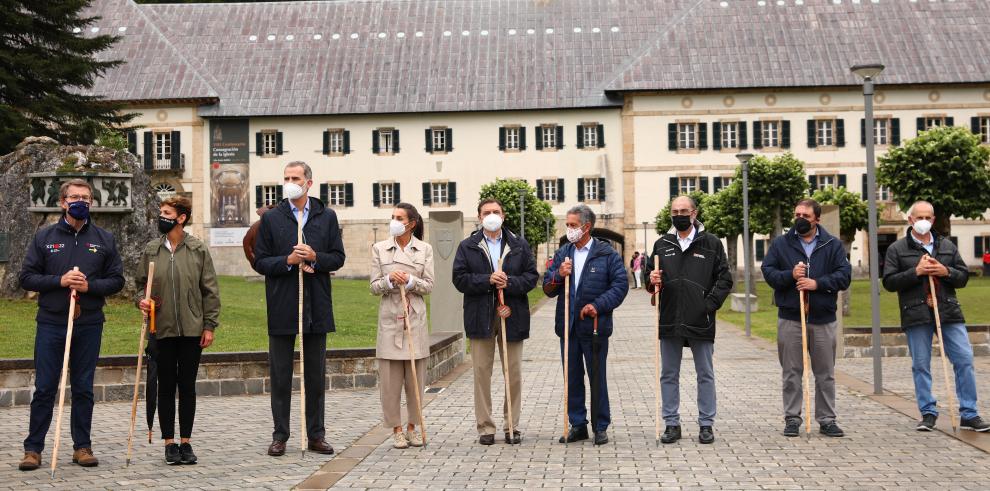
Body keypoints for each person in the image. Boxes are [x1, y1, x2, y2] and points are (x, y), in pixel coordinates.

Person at [18, 179, 125, 471]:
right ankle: (33, 449)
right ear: (63, 202)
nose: (82, 201)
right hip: (52, 322)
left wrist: (89, 286)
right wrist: (59, 281)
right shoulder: (45, 237)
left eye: (86, 197)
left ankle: (82, 447)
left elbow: (117, 280)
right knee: (45, 387)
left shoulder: (104, 239)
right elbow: (26, 277)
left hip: (89, 323)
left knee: (83, 387)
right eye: (75, 197)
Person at [253, 161, 346, 456]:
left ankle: (316, 435)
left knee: (315, 375)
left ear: (309, 182)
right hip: (282, 304)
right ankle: (280, 434)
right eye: (286, 178)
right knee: (280, 375)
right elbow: (260, 261)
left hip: (316, 305)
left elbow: (338, 257)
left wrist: (316, 256)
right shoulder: (272, 219)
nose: (290, 182)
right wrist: (288, 261)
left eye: (295, 178)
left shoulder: (326, 216)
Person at [882, 200, 989, 432]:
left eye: (928, 217)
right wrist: (916, 272)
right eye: (919, 217)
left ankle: (969, 413)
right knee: (921, 364)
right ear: (910, 219)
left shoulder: (947, 246)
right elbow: (889, 282)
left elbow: (962, 277)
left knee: (964, 359)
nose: (924, 221)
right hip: (916, 312)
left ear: (933, 219)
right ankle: (928, 412)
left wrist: (945, 271)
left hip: (948, 310)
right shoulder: (897, 249)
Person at [137, 196, 221, 464]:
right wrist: (141, 300)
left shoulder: (198, 249)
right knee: (165, 386)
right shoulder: (152, 249)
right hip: (160, 328)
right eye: (161, 211)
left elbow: (210, 290)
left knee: (187, 386)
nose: (161, 216)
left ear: (181, 217)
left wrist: (209, 325)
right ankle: (169, 443)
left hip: (192, 329)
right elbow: (141, 285)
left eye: (166, 212)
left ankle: (186, 442)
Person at [645, 196, 732, 444]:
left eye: (684, 211)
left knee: (705, 373)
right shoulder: (662, 243)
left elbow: (724, 279)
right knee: (668, 373)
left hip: (700, 318)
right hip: (670, 317)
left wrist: (708, 305)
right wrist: (652, 279)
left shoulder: (711, 243)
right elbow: (650, 277)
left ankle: (706, 424)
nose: (679, 215)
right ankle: (671, 423)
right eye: (675, 211)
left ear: (694, 213)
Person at [761, 198, 850, 438]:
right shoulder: (781, 244)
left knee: (825, 373)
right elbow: (768, 273)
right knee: (791, 371)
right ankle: (792, 418)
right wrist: (790, 275)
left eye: (806, 216)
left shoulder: (832, 245)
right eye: (797, 214)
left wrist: (817, 284)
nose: (800, 219)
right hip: (791, 317)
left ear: (817, 220)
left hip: (822, 318)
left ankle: (827, 419)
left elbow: (844, 276)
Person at [452, 199, 538, 445]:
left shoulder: (518, 244)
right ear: (479, 217)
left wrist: (508, 282)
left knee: (513, 373)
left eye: (496, 212)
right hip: (480, 316)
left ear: (504, 215)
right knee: (481, 373)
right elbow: (459, 279)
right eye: (486, 212)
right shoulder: (468, 246)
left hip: (511, 314)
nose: (491, 215)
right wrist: (487, 279)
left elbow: (531, 277)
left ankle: (512, 425)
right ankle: (485, 427)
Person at [543, 204, 628, 445]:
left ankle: (601, 426)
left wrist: (598, 306)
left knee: (596, 376)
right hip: (568, 329)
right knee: (571, 377)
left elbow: (620, 286)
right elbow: (548, 289)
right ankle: (577, 424)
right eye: (567, 225)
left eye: (572, 225)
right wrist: (559, 274)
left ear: (586, 227)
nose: (568, 229)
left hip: (594, 327)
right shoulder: (563, 253)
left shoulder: (607, 254)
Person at [370, 203, 434, 449]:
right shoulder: (380, 249)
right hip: (390, 318)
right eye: (393, 217)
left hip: (414, 318)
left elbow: (428, 285)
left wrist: (409, 280)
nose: (394, 221)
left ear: (411, 223)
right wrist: (388, 279)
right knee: (390, 382)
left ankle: (412, 427)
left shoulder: (424, 249)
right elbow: (374, 286)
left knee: (415, 380)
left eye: (399, 217)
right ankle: (396, 429)